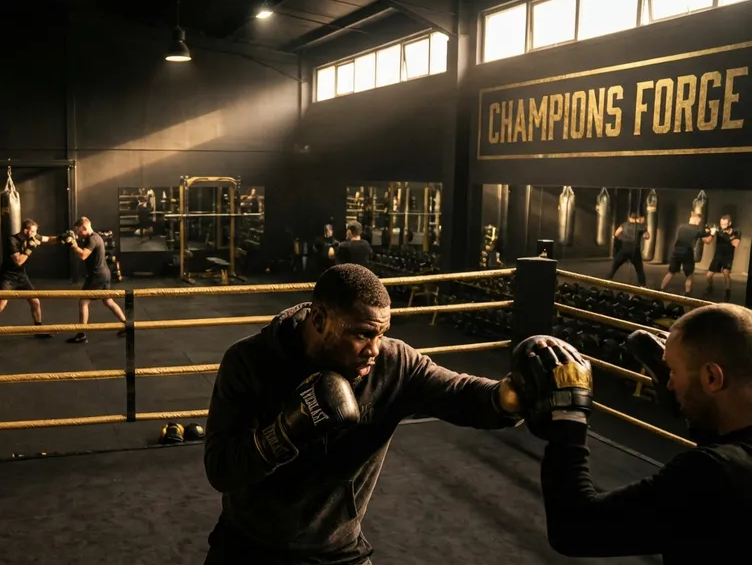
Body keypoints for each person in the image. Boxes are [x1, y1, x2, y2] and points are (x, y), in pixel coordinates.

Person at [202, 264, 523, 564]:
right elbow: (221, 470)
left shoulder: (393, 364)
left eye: (381, 334)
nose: (374, 349)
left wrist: (510, 397)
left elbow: (460, 393)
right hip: (247, 547)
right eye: (362, 335)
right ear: (318, 320)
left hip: (337, 549)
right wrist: (285, 432)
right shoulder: (250, 362)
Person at [517, 306, 752, 564]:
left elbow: (575, 529)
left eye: (672, 372)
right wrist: (690, 395)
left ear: (711, 377)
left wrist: (568, 417)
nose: (669, 384)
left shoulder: (712, 473)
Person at [0, 219, 64, 349]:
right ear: (26, 230)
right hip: (8, 277)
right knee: (0, 307)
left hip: (21, 276)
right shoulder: (11, 241)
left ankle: (38, 330)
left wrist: (62, 238)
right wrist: (29, 248)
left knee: (35, 302)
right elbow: (18, 261)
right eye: (34, 231)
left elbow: (49, 239)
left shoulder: (33, 236)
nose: (36, 234)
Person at [65, 217, 127, 343]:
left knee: (83, 302)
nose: (78, 234)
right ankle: (127, 325)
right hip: (104, 274)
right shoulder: (95, 237)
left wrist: (73, 245)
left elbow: (83, 255)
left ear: (84, 227)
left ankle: (81, 334)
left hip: (97, 276)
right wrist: (73, 239)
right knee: (108, 301)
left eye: (78, 231)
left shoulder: (93, 239)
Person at [659, 212, 711, 296]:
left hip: (676, 252)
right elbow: (707, 239)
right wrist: (711, 233)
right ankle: (687, 294)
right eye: (699, 220)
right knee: (689, 276)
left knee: (670, 272)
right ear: (696, 218)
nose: (699, 222)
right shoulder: (696, 230)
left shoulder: (681, 227)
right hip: (687, 253)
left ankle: (661, 290)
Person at [704, 214, 741, 301]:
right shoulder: (719, 230)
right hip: (718, 256)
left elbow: (736, 244)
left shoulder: (736, 232)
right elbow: (708, 232)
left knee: (726, 274)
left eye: (724, 224)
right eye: (721, 224)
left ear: (729, 223)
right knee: (708, 275)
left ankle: (727, 293)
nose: (722, 226)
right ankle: (710, 286)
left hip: (727, 257)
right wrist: (709, 231)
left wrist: (727, 235)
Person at [606, 212, 649, 286]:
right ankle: (642, 285)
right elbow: (647, 236)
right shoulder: (640, 226)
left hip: (625, 248)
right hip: (635, 250)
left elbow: (616, 234)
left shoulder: (624, 225)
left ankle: (607, 280)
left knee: (615, 265)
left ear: (629, 218)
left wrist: (619, 240)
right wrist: (643, 232)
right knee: (639, 269)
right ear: (637, 219)